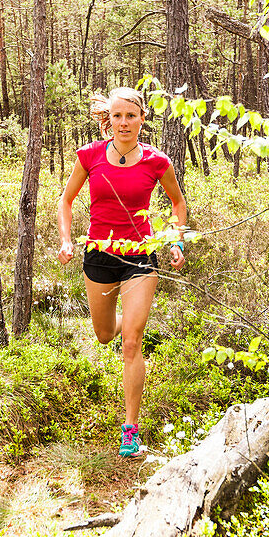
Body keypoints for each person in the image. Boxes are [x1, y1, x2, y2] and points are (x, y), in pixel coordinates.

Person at [57, 87, 187, 457]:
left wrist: (176, 240)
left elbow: (178, 204)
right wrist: (67, 240)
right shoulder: (90, 155)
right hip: (98, 254)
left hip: (140, 258)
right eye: (118, 116)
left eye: (131, 115)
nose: (124, 122)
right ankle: (122, 319)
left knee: (131, 341)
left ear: (142, 119)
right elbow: (65, 201)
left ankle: (130, 428)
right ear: (108, 120)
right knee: (103, 335)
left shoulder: (157, 161)